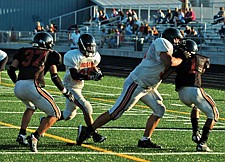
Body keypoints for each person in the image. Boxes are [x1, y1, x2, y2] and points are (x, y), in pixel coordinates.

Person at [76, 27, 184, 147]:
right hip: (137, 83)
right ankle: (88, 130)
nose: (178, 42)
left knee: (159, 109)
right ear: (171, 38)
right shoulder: (162, 41)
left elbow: (164, 75)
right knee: (116, 112)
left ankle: (145, 140)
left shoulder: (169, 49)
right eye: (177, 39)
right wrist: (182, 59)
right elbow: (169, 61)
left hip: (148, 86)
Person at [7, 32, 74, 152]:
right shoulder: (51, 54)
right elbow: (54, 76)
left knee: (31, 107)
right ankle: (35, 136)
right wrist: (65, 92)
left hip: (19, 86)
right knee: (56, 114)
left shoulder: (23, 50)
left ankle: (22, 134)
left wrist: (18, 82)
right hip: (32, 85)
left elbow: (11, 70)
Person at [49, 33, 105, 143]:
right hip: (70, 86)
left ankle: (46, 120)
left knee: (68, 115)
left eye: (92, 46)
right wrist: (91, 77)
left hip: (79, 86)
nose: (91, 49)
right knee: (86, 107)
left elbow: (93, 68)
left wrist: (97, 73)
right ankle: (93, 133)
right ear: (82, 46)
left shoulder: (96, 56)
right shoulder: (73, 55)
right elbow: (74, 75)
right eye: (89, 46)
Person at [167, 39, 219, 151]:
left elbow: (169, 69)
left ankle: (196, 133)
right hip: (194, 90)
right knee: (214, 114)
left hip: (181, 94)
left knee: (196, 106)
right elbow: (204, 67)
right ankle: (203, 143)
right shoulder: (201, 58)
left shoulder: (179, 58)